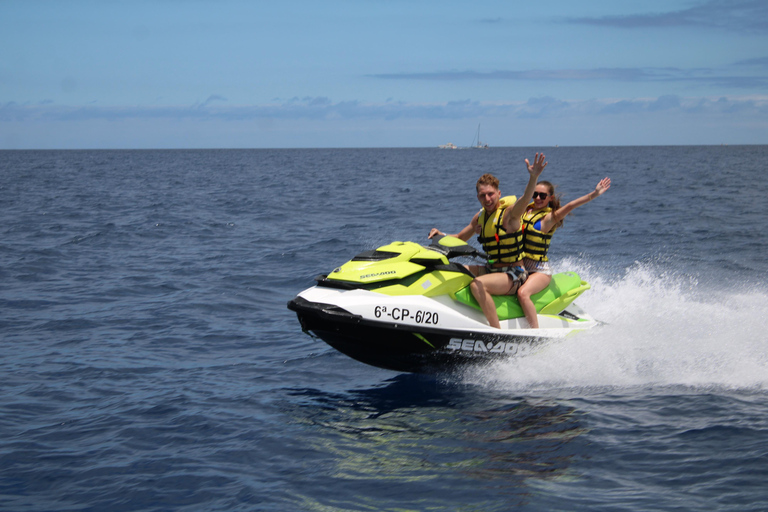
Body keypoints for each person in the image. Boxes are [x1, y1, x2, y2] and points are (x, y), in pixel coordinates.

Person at [429, 154, 548, 328]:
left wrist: (534, 177)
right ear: (478, 197)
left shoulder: (509, 215)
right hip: (492, 269)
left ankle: (496, 331)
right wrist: (441, 234)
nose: (487, 199)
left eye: (491, 194)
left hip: (514, 274)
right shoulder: (480, 217)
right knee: (453, 270)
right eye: (483, 195)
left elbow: (524, 199)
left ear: (499, 194)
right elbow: (461, 238)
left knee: (477, 285)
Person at [516, 176, 612, 328]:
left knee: (522, 294)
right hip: (519, 266)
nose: (538, 198)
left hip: (539, 270)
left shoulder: (549, 218)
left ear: (550, 198)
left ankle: (535, 333)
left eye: (542, 195)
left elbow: (571, 206)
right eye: (535, 194)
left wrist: (594, 194)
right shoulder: (524, 211)